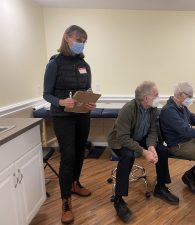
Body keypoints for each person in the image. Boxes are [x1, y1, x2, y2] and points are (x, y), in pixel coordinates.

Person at [43, 25, 96, 224]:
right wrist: (61, 101)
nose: (81, 44)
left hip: (82, 115)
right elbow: (46, 94)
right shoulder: (54, 63)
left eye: (84, 41)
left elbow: (88, 89)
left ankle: (75, 183)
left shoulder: (85, 65)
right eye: (79, 39)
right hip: (62, 116)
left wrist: (90, 102)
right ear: (67, 38)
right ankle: (65, 202)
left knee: (80, 151)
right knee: (68, 156)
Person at [107, 81, 179, 223]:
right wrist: (143, 152)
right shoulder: (128, 109)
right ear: (146, 98)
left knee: (162, 150)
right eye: (156, 95)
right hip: (121, 141)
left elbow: (152, 130)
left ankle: (160, 187)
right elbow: (122, 138)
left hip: (140, 138)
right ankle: (118, 199)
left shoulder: (151, 109)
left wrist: (151, 147)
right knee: (127, 156)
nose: (159, 97)